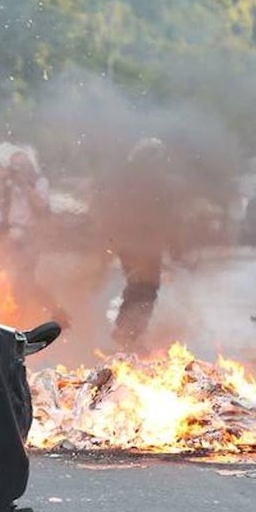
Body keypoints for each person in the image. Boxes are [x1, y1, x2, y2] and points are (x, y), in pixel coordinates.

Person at [93, 137, 185, 351]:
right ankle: (128, 331)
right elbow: (168, 216)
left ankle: (130, 330)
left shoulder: (131, 179)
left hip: (143, 242)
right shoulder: (148, 182)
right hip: (138, 242)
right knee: (144, 285)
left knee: (141, 285)